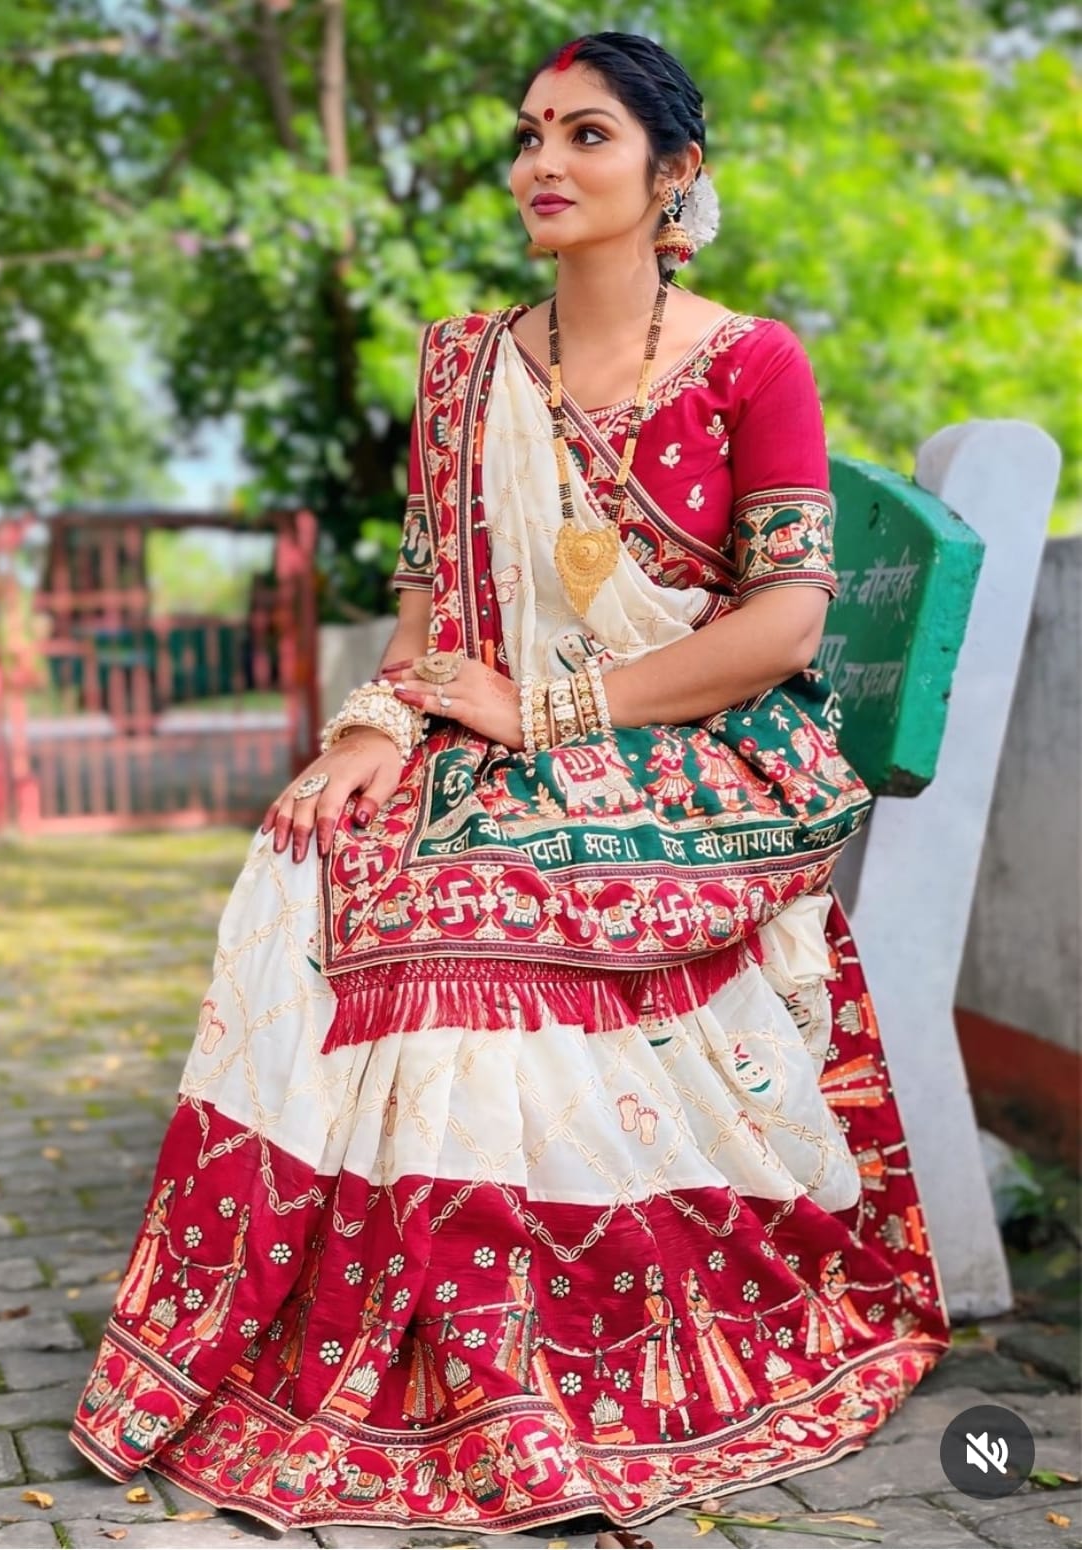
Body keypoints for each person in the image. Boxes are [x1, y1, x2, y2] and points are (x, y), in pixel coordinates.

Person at [70, 31, 949, 1541]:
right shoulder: (467, 363)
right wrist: (366, 730)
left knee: (470, 928)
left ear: (674, 174)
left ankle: (532, 1367)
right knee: (316, 863)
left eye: (587, 135)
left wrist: (551, 709)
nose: (544, 163)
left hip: (695, 750)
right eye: (530, 135)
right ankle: (393, 1333)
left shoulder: (751, 360)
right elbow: (424, 601)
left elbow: (785, 623)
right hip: (480, 729)